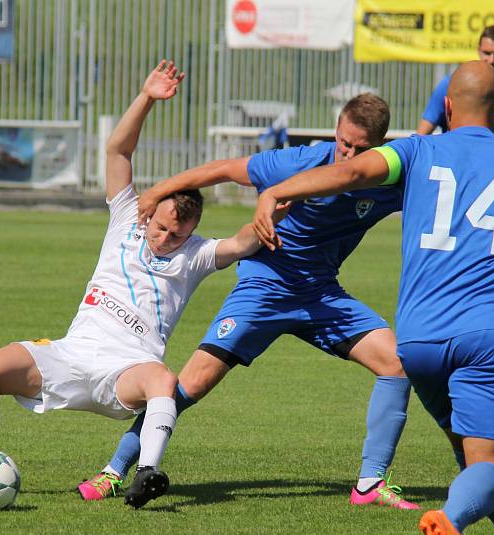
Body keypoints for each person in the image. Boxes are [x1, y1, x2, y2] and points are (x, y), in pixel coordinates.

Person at [252, 61, 494, 535]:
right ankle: (449, 521)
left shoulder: (416, 151)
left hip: (417, 342)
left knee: (481, 468)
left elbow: (348, 173)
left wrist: (277, 192)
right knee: (491, 468)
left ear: (447, 106)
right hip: (487, 336)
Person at [0, 61, 279, 509]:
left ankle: (147, 472)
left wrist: (279, 199)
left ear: (193, 231)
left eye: (177, 234)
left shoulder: (199, 254)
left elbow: (246, 240)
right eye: (161, 227)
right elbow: (117, 153)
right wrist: (146, 97)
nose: (165, 239)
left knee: (164, 379)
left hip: (125, 370)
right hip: (70, 354)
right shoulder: (129, 215)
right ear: (151, 211)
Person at [77, 93, 420, 510]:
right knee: (189, 385)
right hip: (265, 287)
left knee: (397, 364)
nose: (348, 154)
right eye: (344, 143)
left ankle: (370, 484)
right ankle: (114, 472)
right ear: (336, 130)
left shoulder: (389, 181)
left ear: (379, 145)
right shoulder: (299, 163)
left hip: (322, 295)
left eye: (361, 148)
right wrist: (159, 191)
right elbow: (223, 169)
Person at [418, 24, 494, 342]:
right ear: (477, 50)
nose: (492, 59)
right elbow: (423, 132)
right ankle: (444, 332)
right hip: (456, 186)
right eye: (486, 52)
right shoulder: (454, 83)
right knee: (447, 257)